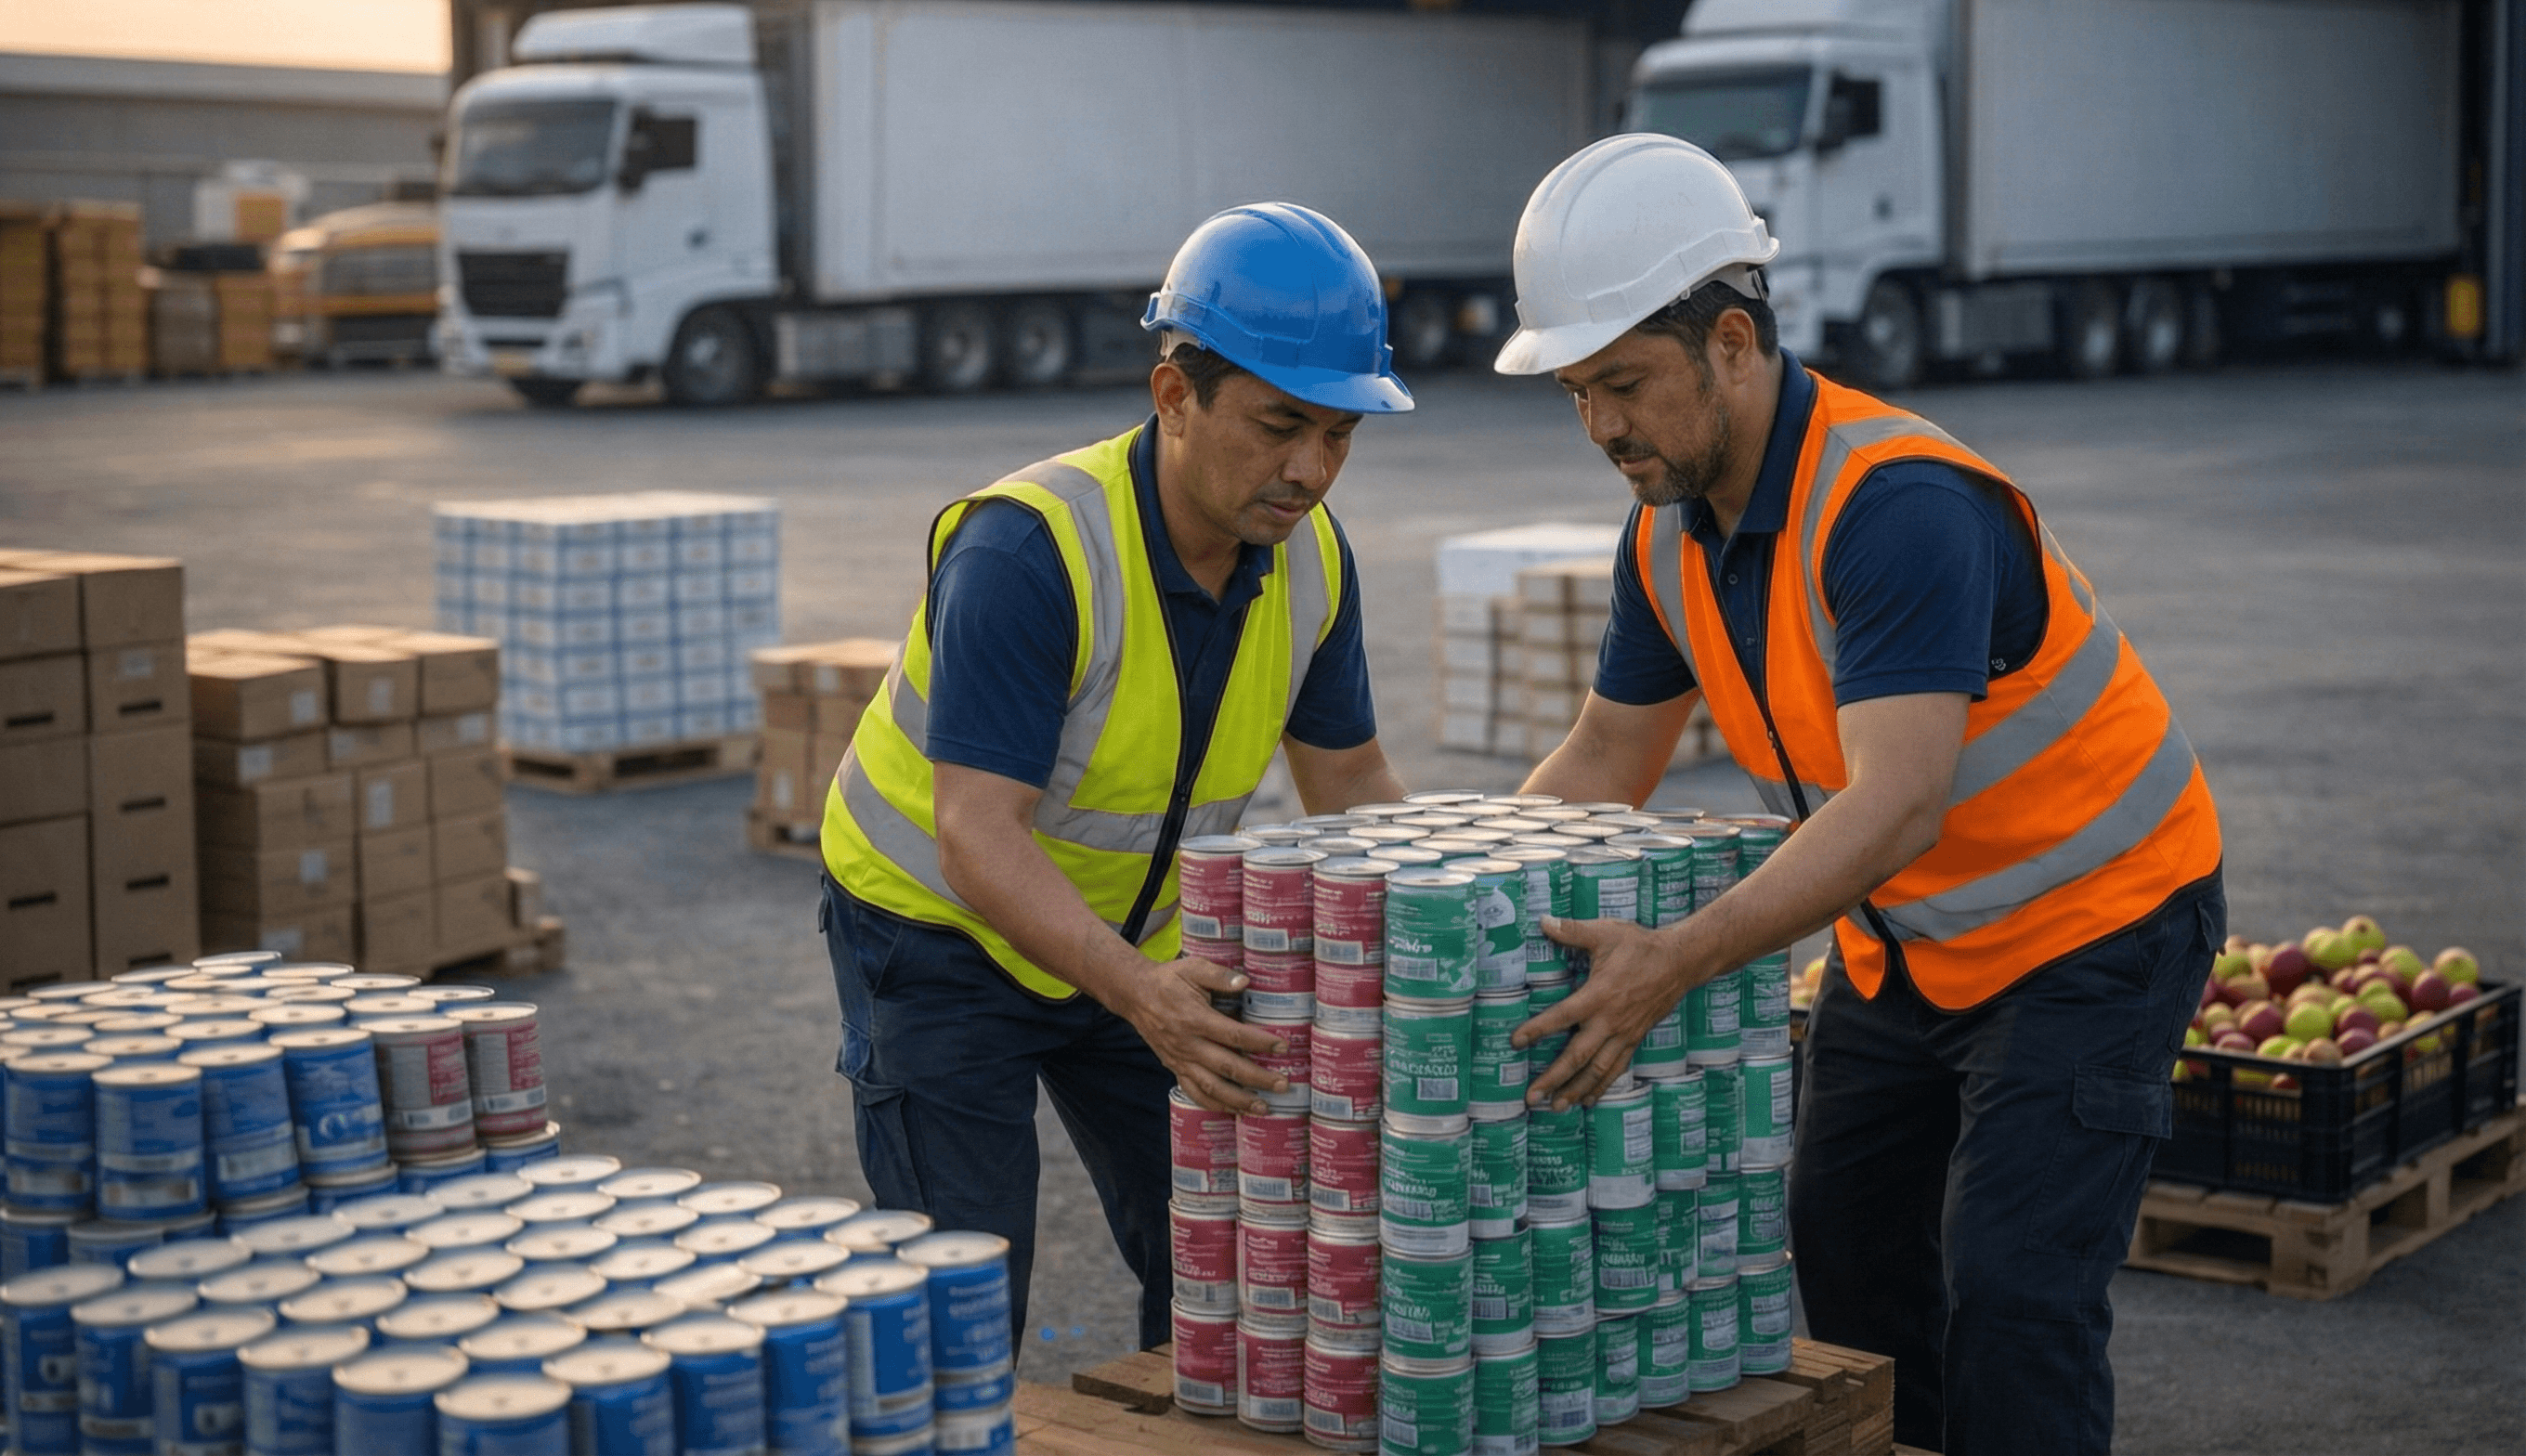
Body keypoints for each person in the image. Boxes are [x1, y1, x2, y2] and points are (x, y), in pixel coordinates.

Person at [1494, 135, 2225, 1455]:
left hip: (2093, 931)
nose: (1600, 427)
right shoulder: (1670, 529)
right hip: (1913, 950)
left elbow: (1895, 803)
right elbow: (1608, 758)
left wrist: (1672, 961)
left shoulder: (1897, 505)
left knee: (2014, 1289)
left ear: (1730, 341)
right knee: (1847, 1262)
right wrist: (1445, 890)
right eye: (1575, 395)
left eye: (1623, 384)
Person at [817, 202, 1412, 1355]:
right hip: (937, 938)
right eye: (1280, 424)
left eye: (1339, 435)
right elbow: (978, 837)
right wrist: (1142, 996)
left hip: (1135, 947)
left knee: (1227, 1262)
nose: (1309, 471)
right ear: (1173, 394)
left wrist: (1459, 924)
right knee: (961, 1302)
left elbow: (1351, 779)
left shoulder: (1309, 559)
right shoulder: (1028, 549)